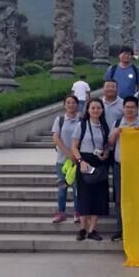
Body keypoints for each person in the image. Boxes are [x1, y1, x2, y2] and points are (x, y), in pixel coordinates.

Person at [71, 98, 111, 241]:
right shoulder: (81, 125)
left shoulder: (104, 126)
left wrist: (105, 154)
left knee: (98, 196)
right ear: (88, 110)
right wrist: (80, 161)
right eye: (93, 108)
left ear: (102, 110)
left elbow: (106, 146)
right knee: (84, 196)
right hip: (84, 163)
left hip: (99, 163)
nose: (96, 110)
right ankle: (82, 228)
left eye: (98, 108)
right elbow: (74, 146)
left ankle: (92, 229)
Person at [107, 96, 139, 241]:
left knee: (137, 197)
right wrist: (115, 133)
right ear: (123, 109)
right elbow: (110, 143)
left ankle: (136, 228)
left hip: (136, 167)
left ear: (137, 109)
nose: (129, 110)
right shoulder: (117, 123)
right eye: (127, 107)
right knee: (119, 198)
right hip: (119, 166)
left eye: (132, 107)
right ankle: (120, 229)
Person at [51, 95, 81, 224]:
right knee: (62, 187)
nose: (71, 105)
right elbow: (56, 138)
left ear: (77, 105)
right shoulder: (60, 120)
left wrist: (76, 155)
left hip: (77, 160)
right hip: (62, 160)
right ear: (64, 105)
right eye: (68, 102)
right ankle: (61, 212)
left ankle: (77, 212)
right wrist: (68, 153)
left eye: (73, 103)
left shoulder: (82, 120)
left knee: (77, 188)